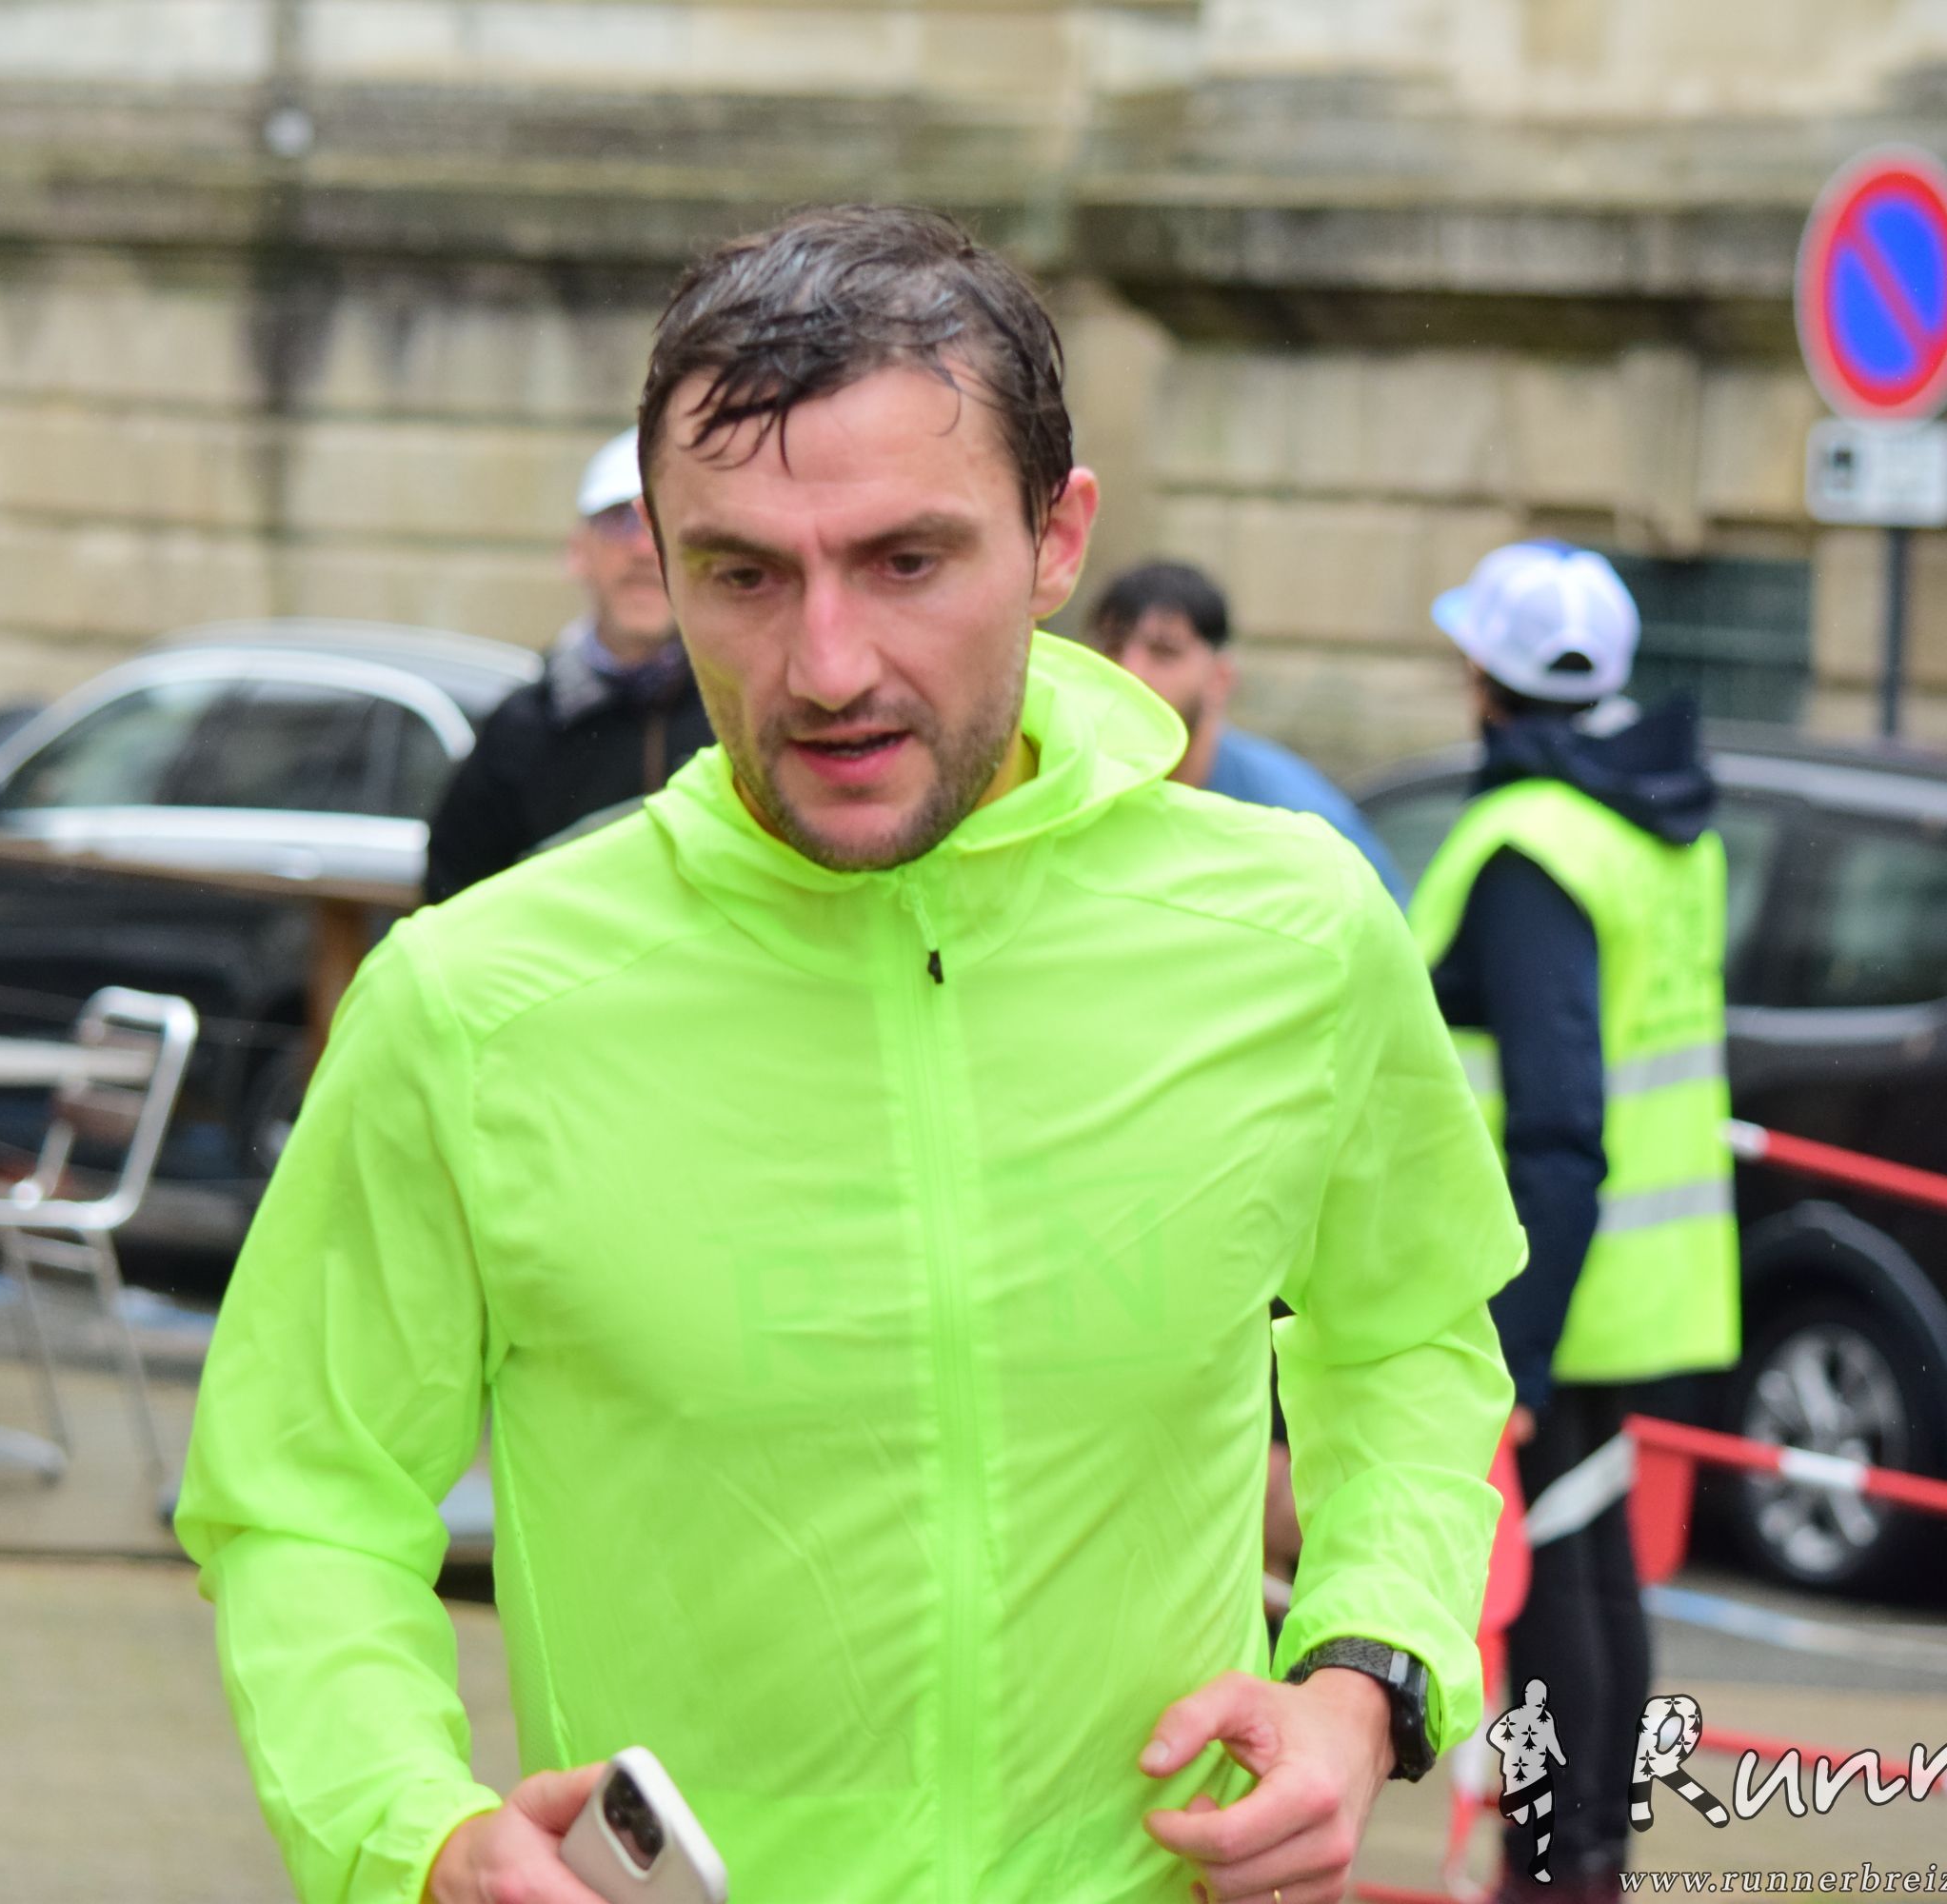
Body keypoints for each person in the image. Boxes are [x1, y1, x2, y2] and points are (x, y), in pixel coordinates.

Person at [180, 204, 1524, 1904]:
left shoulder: (1296, 929)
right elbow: (303, 1498)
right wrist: (417, 1836)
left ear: (1056, 541)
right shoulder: (471, 1003)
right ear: (659, 563)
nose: (826, 667)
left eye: (906, 562)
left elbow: (1409, 1341)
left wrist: (1364, 1679)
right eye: (743, 573)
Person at [1404, 541, 1738, 1904]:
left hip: (1549, 1276)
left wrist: (1517, 1351)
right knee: (1592, 1571)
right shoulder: (1655, 818)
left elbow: (1553, 1121)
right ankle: (1585, 1862)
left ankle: (1552, 1871)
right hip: (1637, 1272)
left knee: (1553, 1588)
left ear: (1482, 677)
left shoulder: (1530, 843)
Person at [422, 428, 715, 900]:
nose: (643, 549)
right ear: (578, 551)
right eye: (619, 521)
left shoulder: (736, 716)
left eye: (662, 523)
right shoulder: (518, 731)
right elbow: (453, 896)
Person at [1086, 561, 1405, 902]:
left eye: (1164, 652)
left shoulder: (1293, 820)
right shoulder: (1075, 789)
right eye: (1113, 649)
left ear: (1220, 679)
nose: (1128, 671)